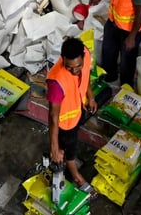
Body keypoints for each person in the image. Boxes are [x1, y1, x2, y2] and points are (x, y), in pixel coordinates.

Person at [47, 37, 98, 191]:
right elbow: (53, 117)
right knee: (70, 148)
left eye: (78, 66)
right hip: (65, 122)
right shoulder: (56, 81)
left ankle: (65, 157)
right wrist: (54, 148)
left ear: (83, 56)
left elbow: (86, 75)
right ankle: (76, 177)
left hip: (79, 109)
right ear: (63, 60)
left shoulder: (86, 55)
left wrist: (91, 97)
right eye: (70, 68)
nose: (75, 71)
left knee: (69, 146)